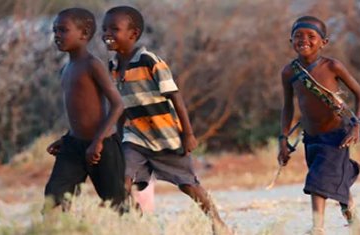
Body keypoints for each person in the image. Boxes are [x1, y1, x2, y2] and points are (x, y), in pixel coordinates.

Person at [101, 6, 230, 233]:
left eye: (114, 29)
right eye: (104, 29)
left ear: (133, 34)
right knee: (122, 178)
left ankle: (217, 223)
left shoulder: (150, 61)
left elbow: (175, 97)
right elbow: (121, 106)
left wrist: (188, 134)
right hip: (136, 135)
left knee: (188, 184)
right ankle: (132, 220)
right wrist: (119, 138)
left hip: (166, 136)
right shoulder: (112, 66)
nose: (106, 33)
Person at [278, 16, 360, 234]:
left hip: (337, 135)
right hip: (311, 138)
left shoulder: (332, 66)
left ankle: (317, 228)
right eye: (298, 36)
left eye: (311, 36)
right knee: (329, 177)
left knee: (317, 180)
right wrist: (283, 139)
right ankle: (351, 213)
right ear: (291, 41)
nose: (304, 40)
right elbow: (287, 107)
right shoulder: (289, 72)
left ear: (323, 42)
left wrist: (356, 125)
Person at [44, 7, 126, 212]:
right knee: (54, 197)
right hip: (73, 146)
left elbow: (118, 104)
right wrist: (67, 137)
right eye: (55, 31)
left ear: (84, 33)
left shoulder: (92, 65)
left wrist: (98, 142)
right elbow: (80, 112)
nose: (57, 35)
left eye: (63, 30)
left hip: (102, 146)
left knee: (116, 202)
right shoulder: (66, 69)